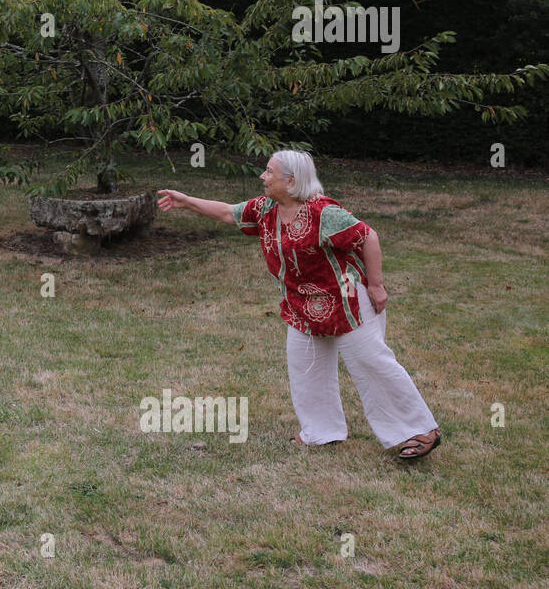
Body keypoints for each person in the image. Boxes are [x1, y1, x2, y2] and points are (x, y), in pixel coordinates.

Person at [157, 150, 441, 459]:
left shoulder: (323, 212)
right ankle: (321, 432)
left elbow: (367, 236)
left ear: (290, 181)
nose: (262, 177)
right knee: (306, 369)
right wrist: (186, 201)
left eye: (269, 172)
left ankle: (421, 430)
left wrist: (376, 285)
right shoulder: (266, 208)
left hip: (348, 302)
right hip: (302, 306)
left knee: (372, 364)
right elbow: (229, 213)